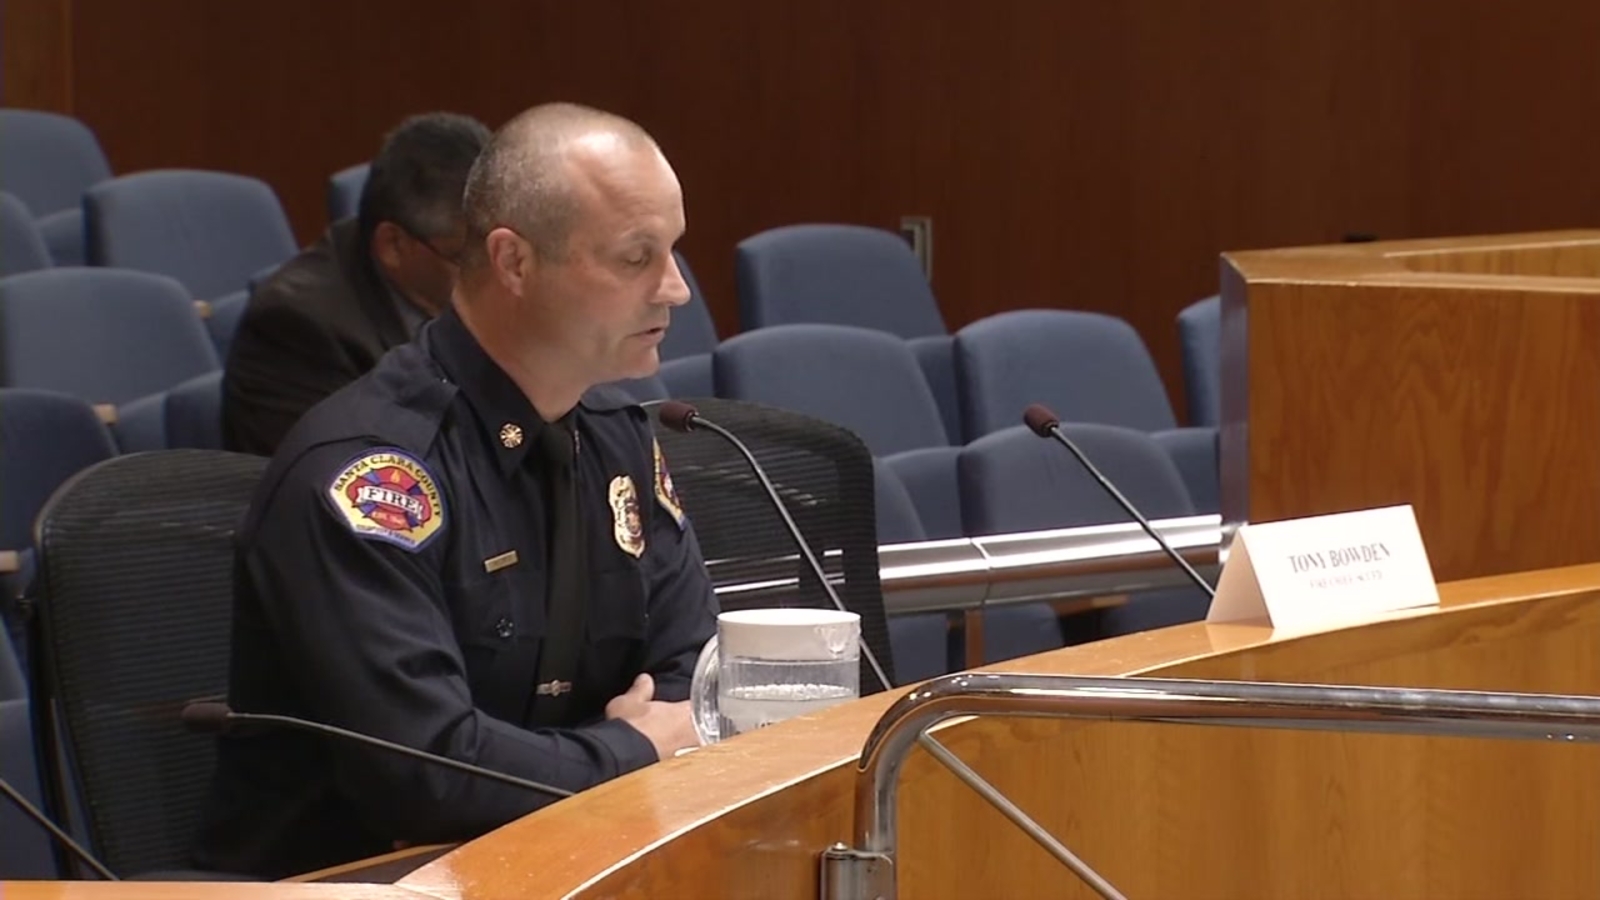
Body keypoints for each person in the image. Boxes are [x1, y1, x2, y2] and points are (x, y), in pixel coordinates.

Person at [196, 103, 716, 879]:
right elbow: (430, 773)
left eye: (673, 250)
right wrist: (630, 748)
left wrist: (629, 747)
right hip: (358, 884)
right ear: (514, 262)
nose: (675, 289)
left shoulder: (619, 437)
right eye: (636, 257)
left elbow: (695, 683)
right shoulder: (372, 479)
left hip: (571, 862)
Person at [222, 111, 492, 457]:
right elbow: (357, 477)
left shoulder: (478, 276)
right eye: (467, 258)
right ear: (394, 246)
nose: (497, 273)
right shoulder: (297, 329)